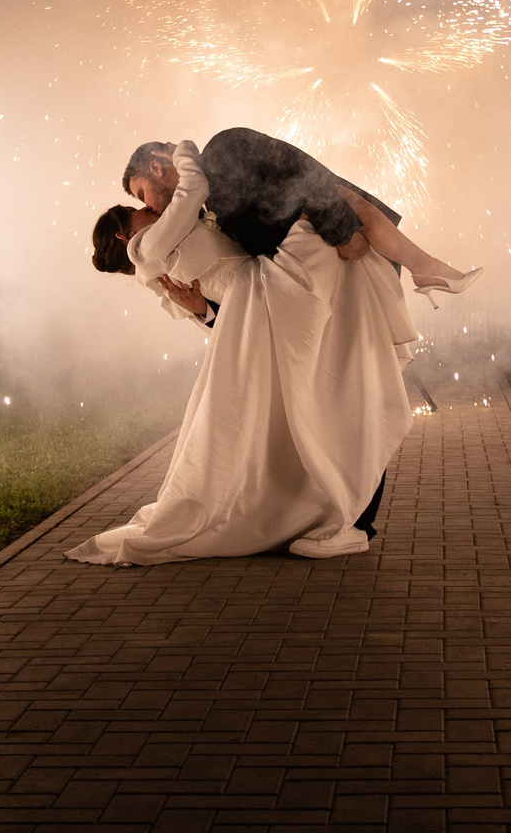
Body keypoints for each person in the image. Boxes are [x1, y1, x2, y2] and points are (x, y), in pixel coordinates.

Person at [77, 139, 417, 565]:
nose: (152, 210)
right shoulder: (143, 248)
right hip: (262, 294)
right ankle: (335, 515)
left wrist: (202, 309)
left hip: (262, 293)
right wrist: (182, 148)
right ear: (123, 234)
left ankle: (338, 514)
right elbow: (192, 192)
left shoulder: (177, 234)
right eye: (142, 207)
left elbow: (214, 294)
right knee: (318, 399)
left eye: (143, 198)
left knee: (322, 396)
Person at [121, 128, 481, 296]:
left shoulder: (221, 151)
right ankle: (427, 268)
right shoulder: (206, 198)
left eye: (142, 193)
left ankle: (427, 268)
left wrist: (339, 230)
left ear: (156, 168)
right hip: (309, 272)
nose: (149, 206)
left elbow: (299, 173)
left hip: (327, 243)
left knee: (344, 196)